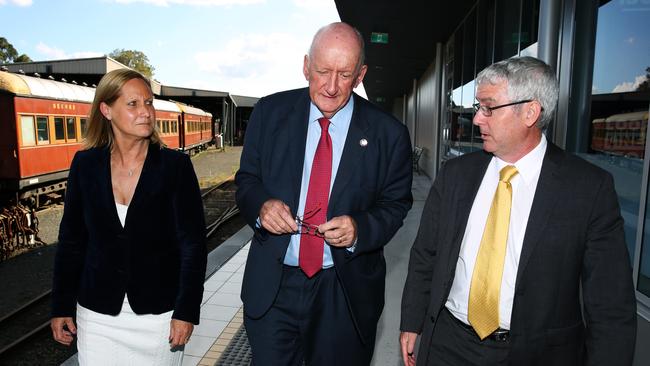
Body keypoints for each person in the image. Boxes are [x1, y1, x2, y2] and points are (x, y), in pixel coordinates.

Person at [399, 56, 637, 366]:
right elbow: (425, 255)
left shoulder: (589, 189)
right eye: (477, 107)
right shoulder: (456, 174)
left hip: (535, 354)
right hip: (448, 344)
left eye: (489, 108)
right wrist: (412, 320)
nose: (477, 119)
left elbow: (610, 304)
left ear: (530, 112)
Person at [235, 22, 413, 365]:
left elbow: (396, 204)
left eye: (344, 74)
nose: (331, 87)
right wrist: (262, 206)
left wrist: (360, 228)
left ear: (360, 75)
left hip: (344, 294)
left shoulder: (388, 134)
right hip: (274, 288)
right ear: (305, 67)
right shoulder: (269, 113)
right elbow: (248, 180)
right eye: (322, 71)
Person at [50, 69, 207, 365]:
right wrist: (61, 305)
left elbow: (193, 247)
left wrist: (186, 311)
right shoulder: (85, 164)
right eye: (133, 104)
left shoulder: (175, 167)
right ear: (107, 110)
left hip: (158, 316)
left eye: (148, 102)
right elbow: (71, 242)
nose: (146, 112)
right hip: (97, 314)